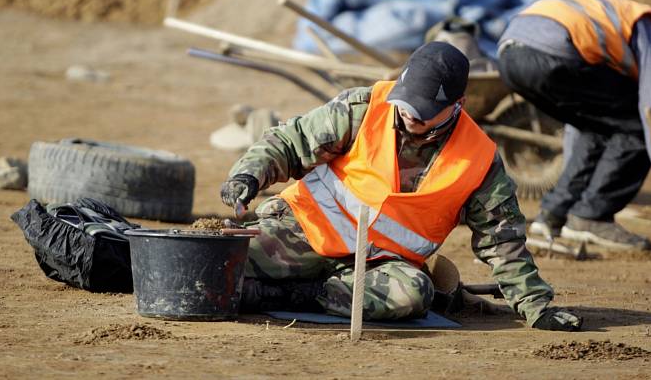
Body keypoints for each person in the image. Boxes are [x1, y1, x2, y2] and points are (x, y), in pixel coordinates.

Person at [220, 42, 582, 331]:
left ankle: (293, 296)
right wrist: (247, 176)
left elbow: (503, 241)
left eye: (423, 109)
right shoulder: (362, 107)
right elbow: (289, 142)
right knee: (221, 268)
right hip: (305, 232)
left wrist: (536, 307)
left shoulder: (480, 161)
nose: (409, 113)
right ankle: (275, 290)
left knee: (413, 295)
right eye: (406, 103)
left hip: (380, 268)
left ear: (459, 105)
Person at [497, 0, 651, 250]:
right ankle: (592, 216)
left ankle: (555, 214)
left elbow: (583, 131)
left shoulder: (636, 33)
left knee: (598, 125)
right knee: (640, 123)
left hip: (511, 52)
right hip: (554, 48)